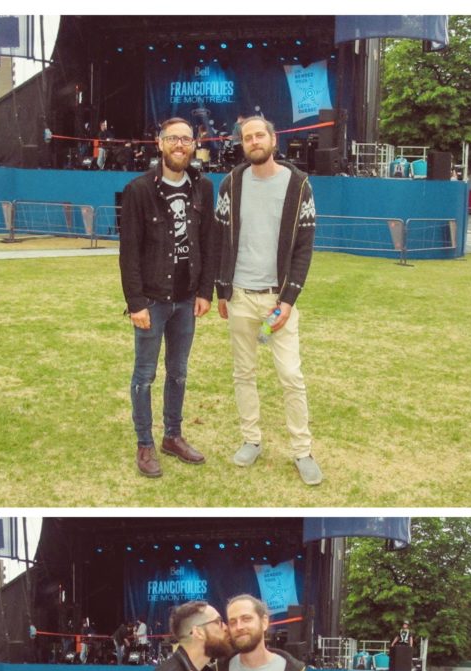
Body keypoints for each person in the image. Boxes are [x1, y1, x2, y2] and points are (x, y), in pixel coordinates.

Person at [213, 116, 322, 486]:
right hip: (240, 295)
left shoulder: (298, 184)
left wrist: (289, 299)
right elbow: (219, 239)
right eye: (248, 137)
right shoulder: (231, 183)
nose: (254, 141)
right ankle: (251, 440)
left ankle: (302, 451)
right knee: (243, 373)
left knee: (291, 375)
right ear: (242, 144)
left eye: (260, 135)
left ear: (273, 140)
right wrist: (221, 290)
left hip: (278, 298)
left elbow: (304, 247)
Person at [119, 117, 216, 478]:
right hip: (152, 300)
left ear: (194, 145)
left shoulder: (202, 188)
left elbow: (209, 242)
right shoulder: (139, 190)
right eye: (173, 138)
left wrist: (205, 291)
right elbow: (129, 253)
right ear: (159, 144)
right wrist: (136, 303)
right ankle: (145, 443)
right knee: (144, 374)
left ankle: (172, 436)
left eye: (186, 139)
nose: (180, 145)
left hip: (186, 300)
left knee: (178, 373)